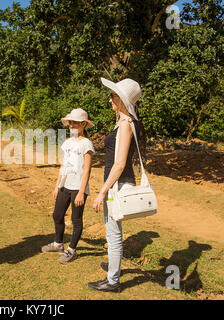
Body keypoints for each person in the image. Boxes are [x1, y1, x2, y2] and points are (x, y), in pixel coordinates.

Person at [88, 77, 143, 292]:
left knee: (114, 234)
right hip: (115, 184)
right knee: (112, 232)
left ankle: (113, 281)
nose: (110, 100)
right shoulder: (123, 123)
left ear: (121, 99)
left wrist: (102, 192)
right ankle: (113, 267)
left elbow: (119, 164)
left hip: (117, 185)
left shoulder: (126, 125)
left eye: (113, 96)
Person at [41, 108, 95, 264]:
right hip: (65, 185)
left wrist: (81, 192)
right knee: (57, 215)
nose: (71, 125)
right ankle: (58, 243)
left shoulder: (87, 144)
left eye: (75, 123)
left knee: (76, 219)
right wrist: (57, 185)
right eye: (70, 122)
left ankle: (72, 250)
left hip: (78, 187)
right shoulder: (67, 143)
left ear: (84, 124)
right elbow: (63, 165)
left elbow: (87, 170)